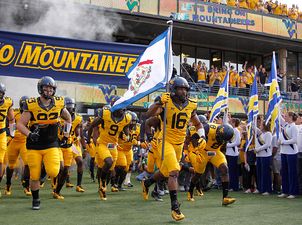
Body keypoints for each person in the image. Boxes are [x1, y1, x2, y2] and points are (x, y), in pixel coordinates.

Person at [142, 77, 205, 221]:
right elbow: (148, 115)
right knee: (174, 172)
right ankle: (175, 208)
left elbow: (198, 125)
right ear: (173, 90)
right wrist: (159, 102)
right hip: (165, 142)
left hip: (179, 144)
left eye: (185, 89)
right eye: (180, 88)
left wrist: (202, 137)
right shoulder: (165, 101)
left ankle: (147, 183)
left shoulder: (191, 104)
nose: (183, 91)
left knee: (165, 172)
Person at [17, 76, 72, 210]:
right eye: (45, 88)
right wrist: (29, 134)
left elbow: (68, 118)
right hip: (34, 145)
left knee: (53, 171)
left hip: (51, 143)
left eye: (51, 88)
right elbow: (20, 124)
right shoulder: (32, 104)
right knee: (34, 175)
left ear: (54, 90)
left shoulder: (59, 103)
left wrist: (66, 134)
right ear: (40, 89)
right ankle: (36, 199)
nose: (48, 90)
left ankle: (43, 174)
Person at [87, 100, 132, 201]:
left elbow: (126, 127)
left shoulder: (126, 118)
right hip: (102, 144)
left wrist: (127, 135)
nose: (123, 109)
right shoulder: (106, 114)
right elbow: (92, 126)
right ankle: (102, 184)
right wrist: (88, 139)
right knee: (108, 162)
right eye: (120, 107)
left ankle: (102, 187)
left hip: (113, 146)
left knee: (110, 169)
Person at [5, 96, 31, 196]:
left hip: (24, 141)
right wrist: (9, 135)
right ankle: (8, 185)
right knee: (11, 165)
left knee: (27, 163)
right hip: (13, 141)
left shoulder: (31, 113)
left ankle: (26, 185)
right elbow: (7, 124)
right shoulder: (14, 112)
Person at [278, 112, 299, 199]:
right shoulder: (286, 125)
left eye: (286, 116)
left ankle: (293, 192)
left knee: (292, 173)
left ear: (290, 117)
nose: (284, 117)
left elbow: (294, 140)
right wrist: (277, 108)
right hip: (284, 152)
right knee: (284, 172)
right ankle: (285, 191)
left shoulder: (294, 127)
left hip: (292, 152)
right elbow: (278, 118)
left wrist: (283, 142)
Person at [0, 83, 15, 198]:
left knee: (0, 162)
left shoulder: (7, 102)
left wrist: (12, 133)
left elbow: (11, 119)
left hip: (1, 134)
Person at [255, 121, 273, 195]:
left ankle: (266, 189)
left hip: (266, 156)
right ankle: (260, 188)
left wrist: (258, 149)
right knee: (259, 173)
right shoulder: (261, 133)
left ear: (265, 126)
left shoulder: (268, 134)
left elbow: (267, 145)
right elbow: (253, 128)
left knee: (265, 173)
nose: (260, 125)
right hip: (259, 155)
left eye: (261, 125)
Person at [226, 118, 241, 191]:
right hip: (228, 153)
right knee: (229, 170)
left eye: (231, 122)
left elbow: (237, 142)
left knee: (233, 171)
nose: (230, 123)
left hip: (233, 153)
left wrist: (228, 145)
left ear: (234, 123)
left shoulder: (237, 131)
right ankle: (230, 185)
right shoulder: (231, 130)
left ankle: (234, 186)